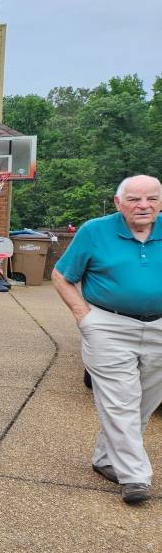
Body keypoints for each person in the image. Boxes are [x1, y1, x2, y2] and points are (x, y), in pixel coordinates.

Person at [51, 174, 162, 504]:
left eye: (151, 198)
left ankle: (105, 459)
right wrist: (84, 318)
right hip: (109, 327)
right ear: (118, 203)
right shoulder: (95, 231)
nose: (144, 205)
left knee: (143, 402)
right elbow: (62, 275)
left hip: (159, 328)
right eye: (134, 199)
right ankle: (135, 477)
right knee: (120, 401)